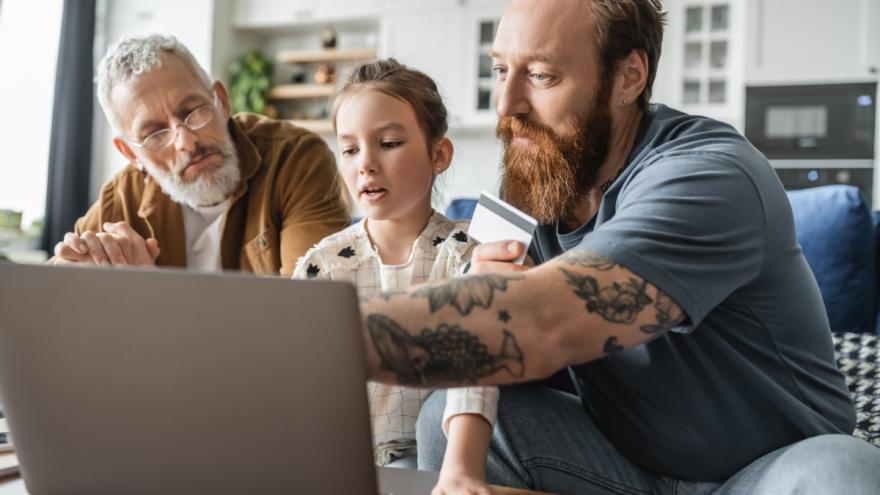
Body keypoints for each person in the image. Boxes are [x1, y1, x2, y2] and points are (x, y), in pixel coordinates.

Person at [352, 1, 880, 494]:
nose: (506, 104)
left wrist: (326, 337)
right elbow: (495, 341)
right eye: (499, 70)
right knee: (448, 413)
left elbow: (546, 322)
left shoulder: (708, 174)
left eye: (541, 75)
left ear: (629, 77)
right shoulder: (540, 172)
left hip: (759, 471)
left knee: (842, 471)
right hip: (624, 463)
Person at [293, 59, 499, 495]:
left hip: (430, 461)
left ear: (438, 155)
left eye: (387, 142)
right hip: (337, 462)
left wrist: (461, 470)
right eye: (349, 150)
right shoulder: (324, 264)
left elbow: (474, 370)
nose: (365, 164)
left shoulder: (465, 253)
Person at [49, 34, 349, 276]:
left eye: (193, 111)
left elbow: (309, 310)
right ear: (130, 153)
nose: (186, 142)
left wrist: (146, 291)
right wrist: (74, 270)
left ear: (221, 100)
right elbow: (44, 303)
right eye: (155, 134)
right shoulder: (122, 198)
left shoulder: (296, 159)